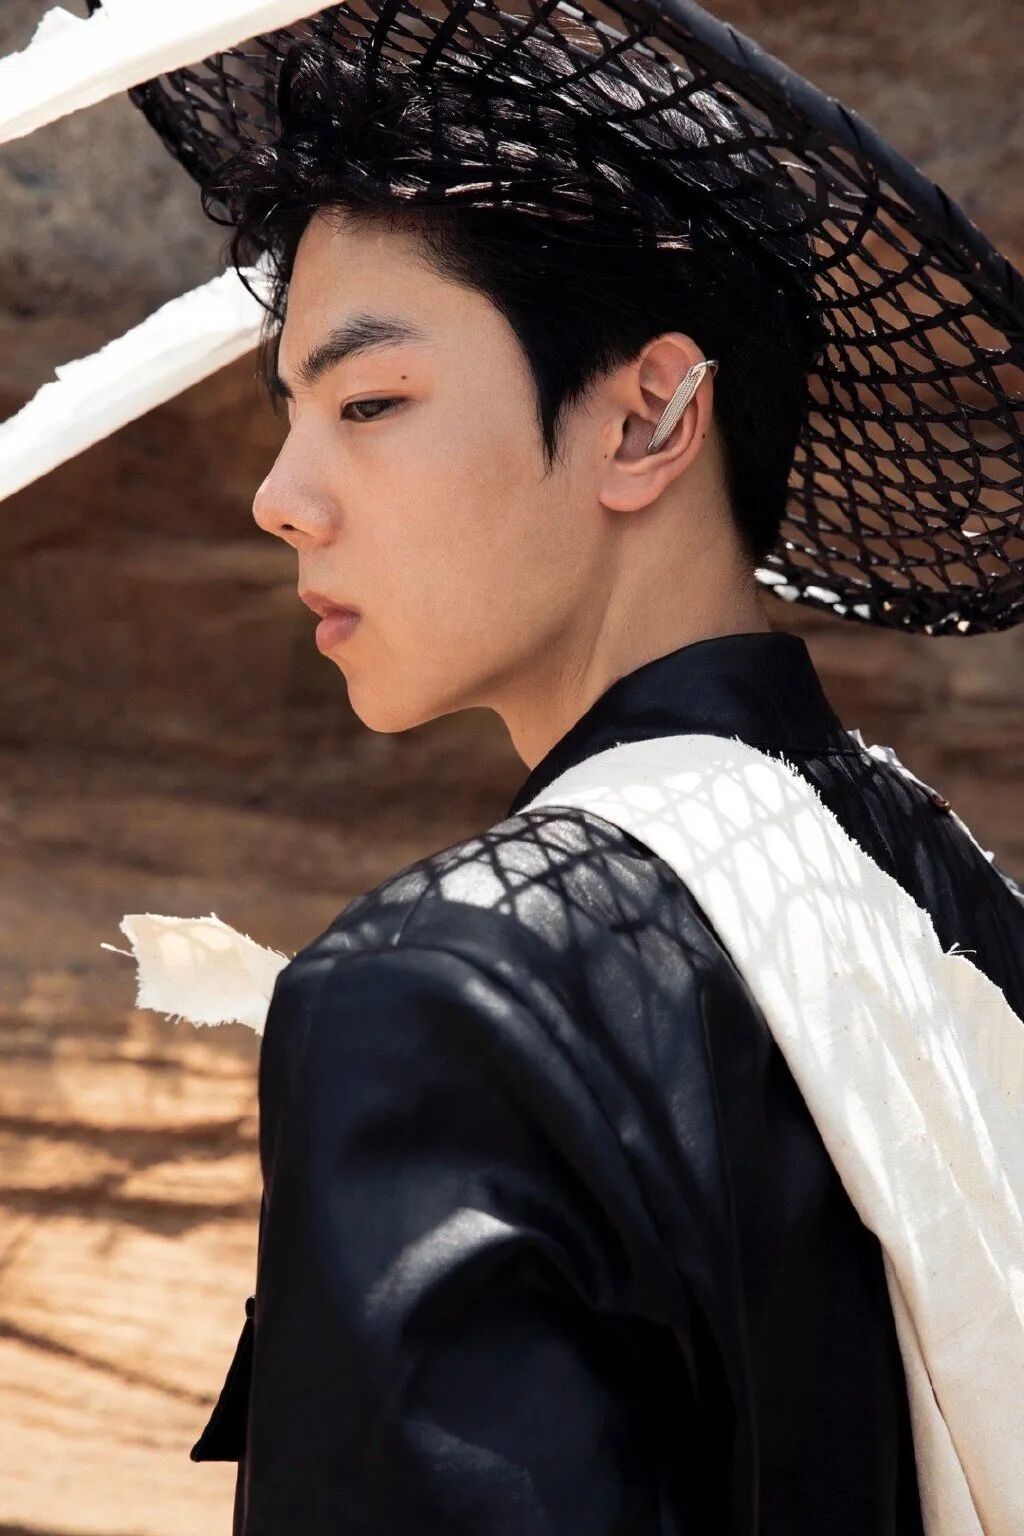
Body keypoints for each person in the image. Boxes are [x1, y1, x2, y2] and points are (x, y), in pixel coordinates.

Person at [165, 26, 1024, 1536]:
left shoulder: (437, 992)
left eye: (368, 403)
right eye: (288, 415)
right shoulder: (945, 884)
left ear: (647, 418)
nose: (280, 500)